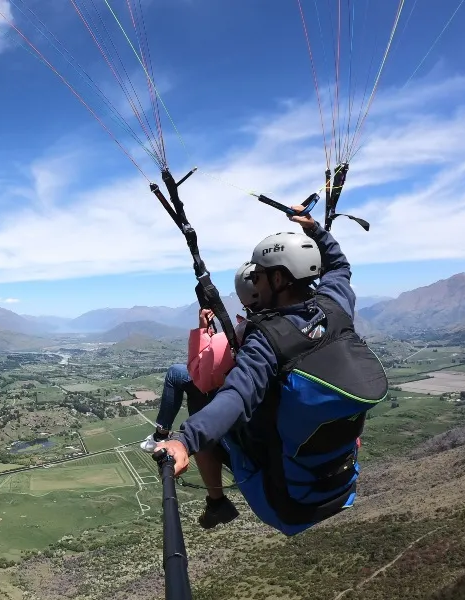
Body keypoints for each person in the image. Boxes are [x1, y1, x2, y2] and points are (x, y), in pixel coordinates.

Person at [154, 205, 389, 536]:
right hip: (337, 483)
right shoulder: (336, 305)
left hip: (282, 501)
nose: (255, 283)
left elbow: (236, 396)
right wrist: (315, 230)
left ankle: (216, 501)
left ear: (278, 279)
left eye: (258, 277)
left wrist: (185, 440)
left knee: (199, 397)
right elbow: (339, 266)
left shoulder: (268, 338)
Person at [144, 268, 261, 446]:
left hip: (232, 391)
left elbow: (200, 376)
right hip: (251, 390)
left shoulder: (244, 332)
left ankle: (161, 434)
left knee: (175, 372)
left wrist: (203, 330)